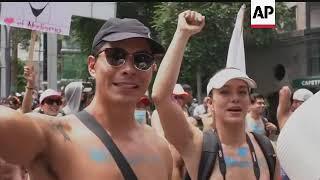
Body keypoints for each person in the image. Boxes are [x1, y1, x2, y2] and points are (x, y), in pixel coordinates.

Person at [0, 17, 172, 179]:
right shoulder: (52, 136)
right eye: (116, 56)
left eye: (142, 60)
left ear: (152, 69)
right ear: (92, 66)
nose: (129, 69)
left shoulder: (160, 149)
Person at [152, 10, 280, 180]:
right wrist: (182, 34)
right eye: (225, 92)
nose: (234, 98)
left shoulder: (268, 150)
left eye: (242, 92)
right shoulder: (197, 145)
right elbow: (161, 97)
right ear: (210, 103)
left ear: (249, 101)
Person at [277, 87, 313, 180]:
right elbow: (285, 90)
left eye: (297, 102)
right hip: (288, 167)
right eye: (293, 101)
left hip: (306, 168)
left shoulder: (314, 121)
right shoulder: (286, 118)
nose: (293, 105)